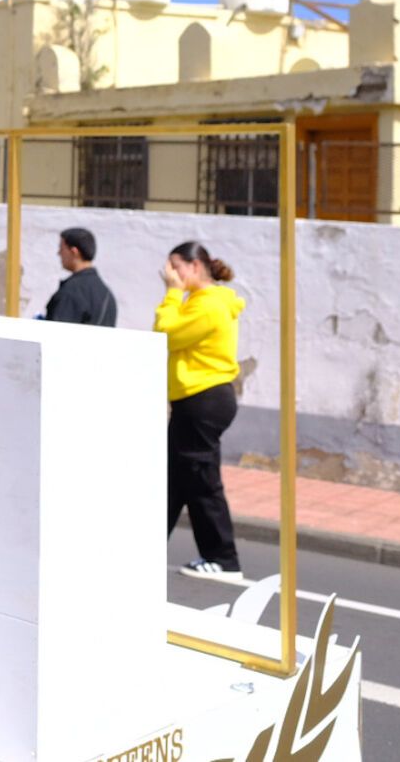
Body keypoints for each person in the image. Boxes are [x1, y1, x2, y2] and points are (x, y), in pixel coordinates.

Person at [156, 241, 245, 575]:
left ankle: (224, 558)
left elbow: (165, 333)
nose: (171, 275)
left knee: (202, 479)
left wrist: (170, 294)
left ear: (195, 267)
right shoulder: (202, 302)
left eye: (175, 267)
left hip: (203, 399)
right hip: (195, 399)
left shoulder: (208, 306)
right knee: (175, 478)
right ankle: (146, 545)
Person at [42, 226, 118, 326]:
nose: (59, 253)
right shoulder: (106, 293)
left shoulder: (71, 291)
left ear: (74, 252)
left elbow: (56, 335)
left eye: (61, 248)